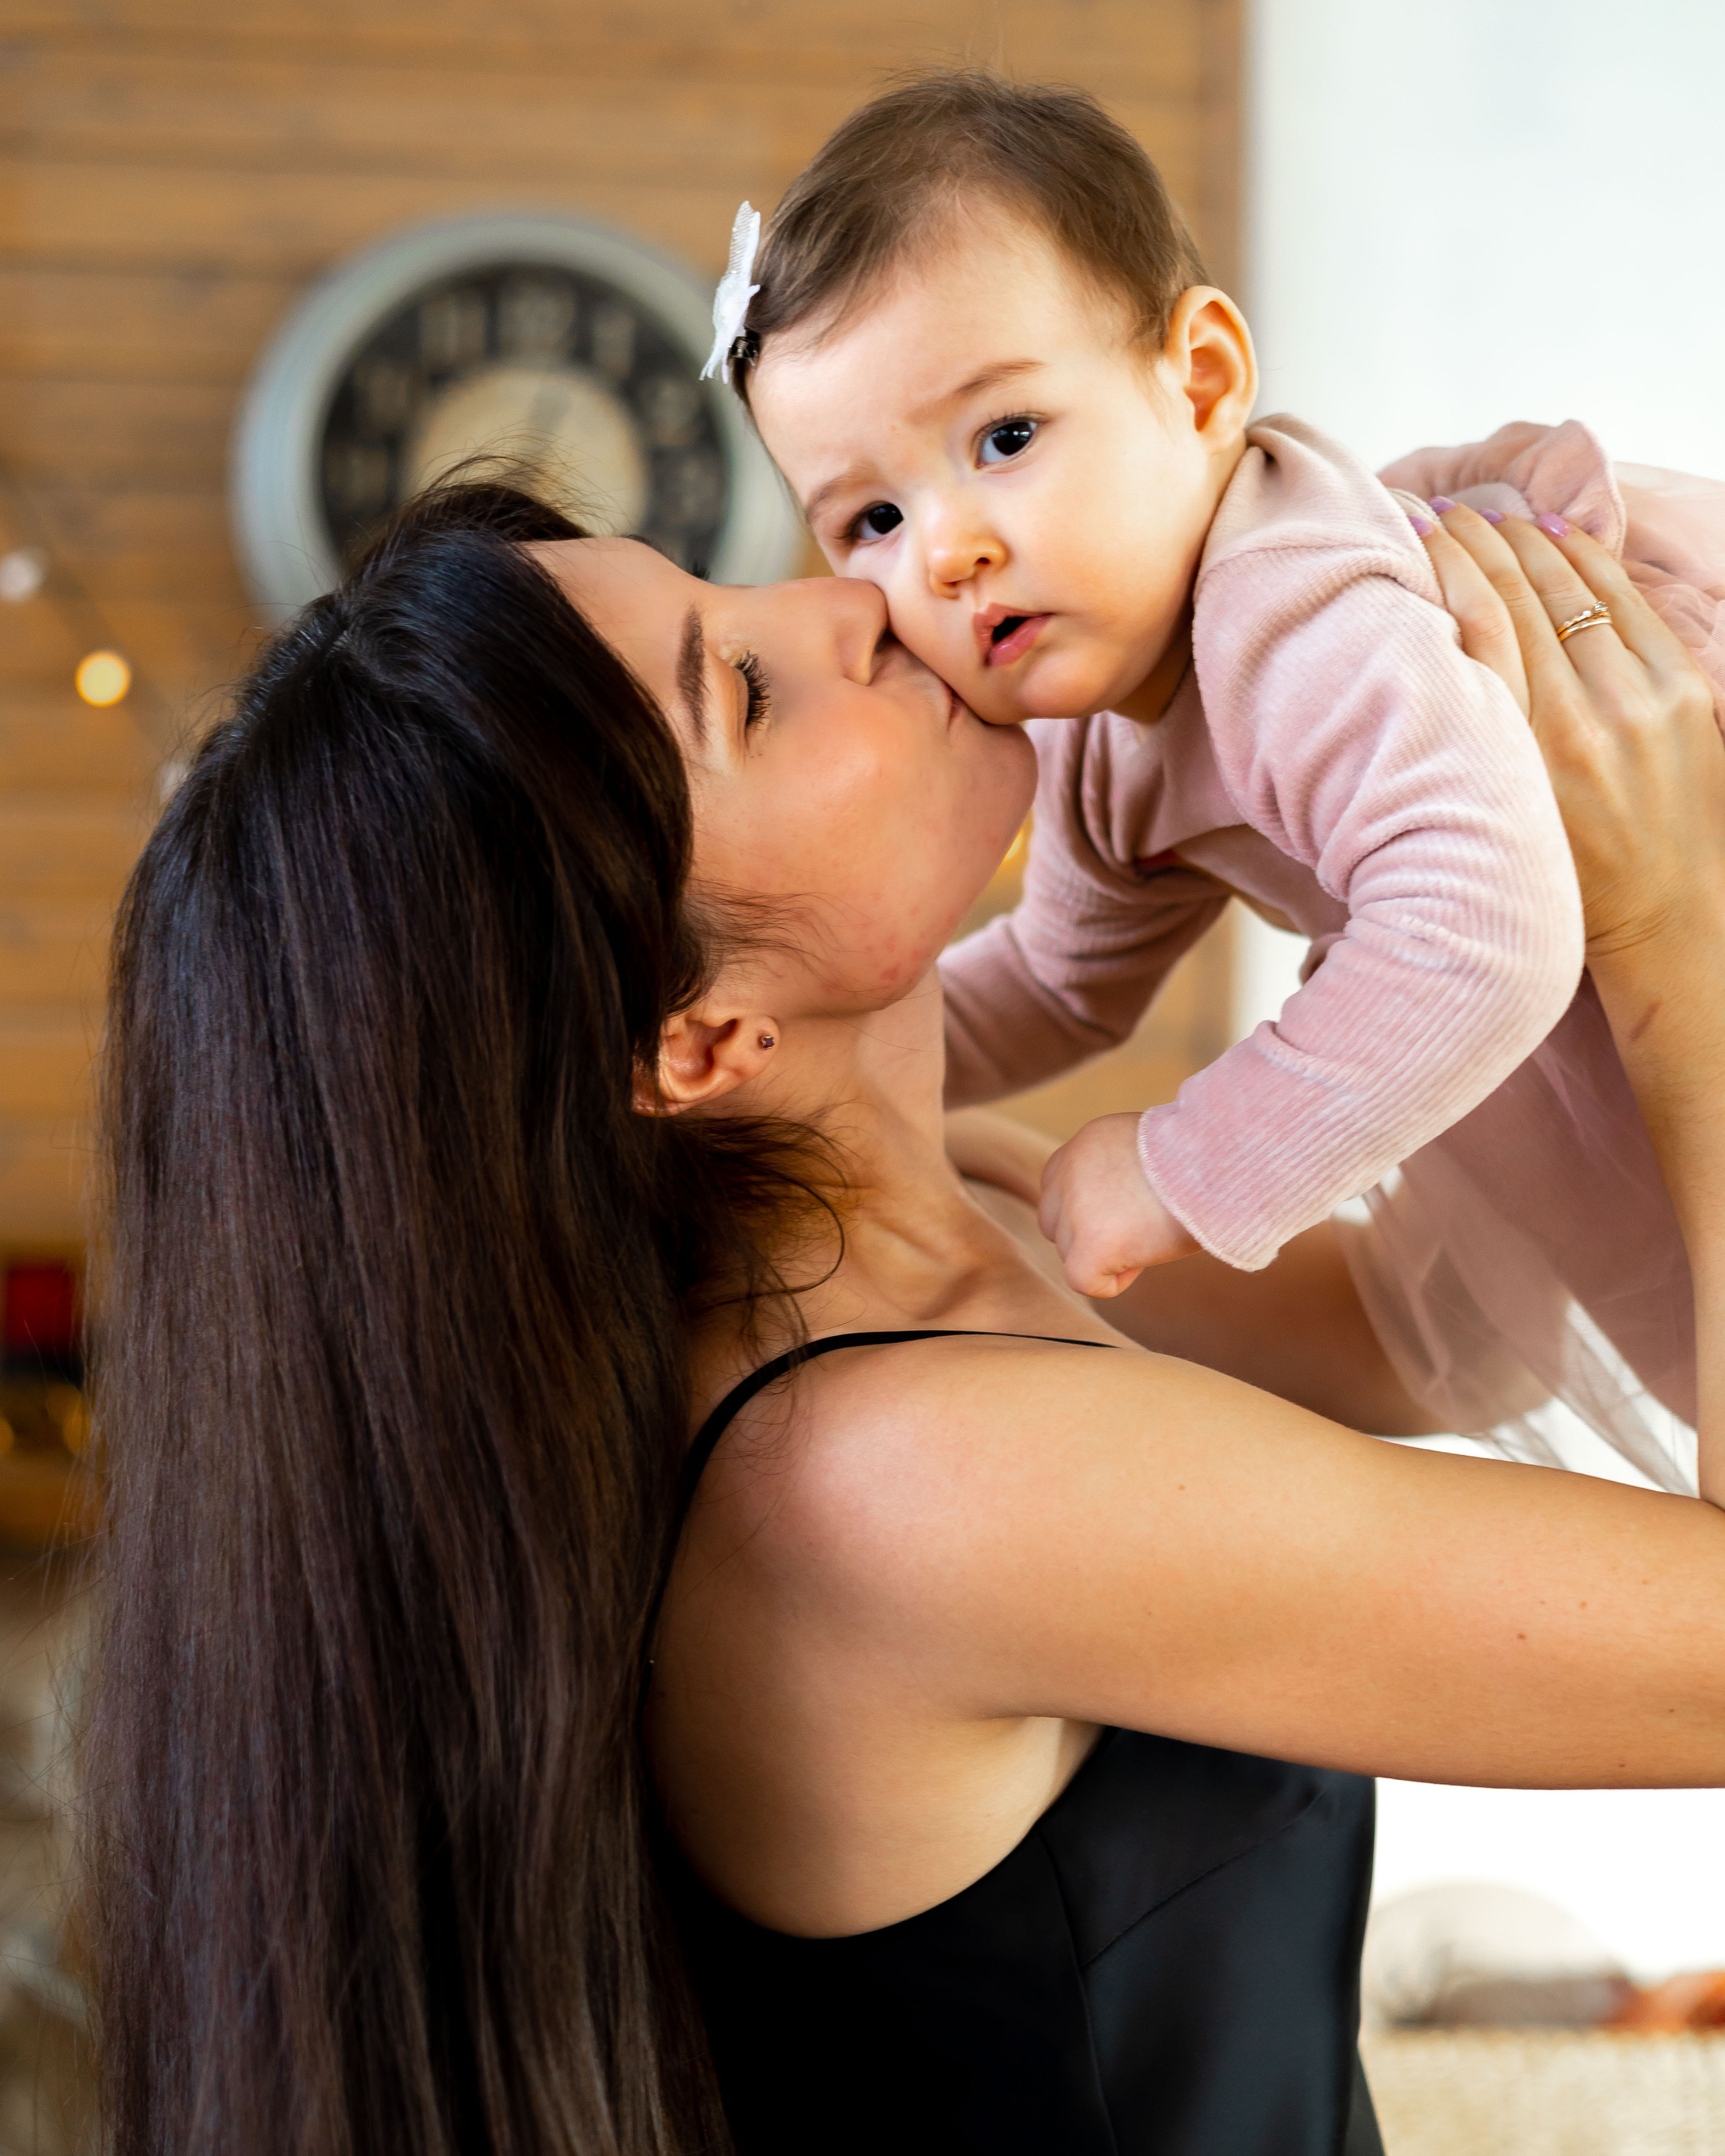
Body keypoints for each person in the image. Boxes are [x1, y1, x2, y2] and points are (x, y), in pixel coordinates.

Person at [81, 476, 1725, 2156]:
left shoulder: (964, 1225)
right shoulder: (891, 1484)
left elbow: (1450, 1329)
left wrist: (1426, 843)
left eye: (729, 586)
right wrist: (1674, 935)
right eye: (744, 689)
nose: (847, 601)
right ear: (692, 1040)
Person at [724, 71, 1725, 1493]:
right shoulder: (1094, 731)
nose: (943, 551)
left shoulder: (1287, 604)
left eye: (1003, 438)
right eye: (871, 518)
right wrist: (810, 1067)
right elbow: (1065, 984)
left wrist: (1182, 1163)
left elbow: (1483, 935)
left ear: (1198, 381)